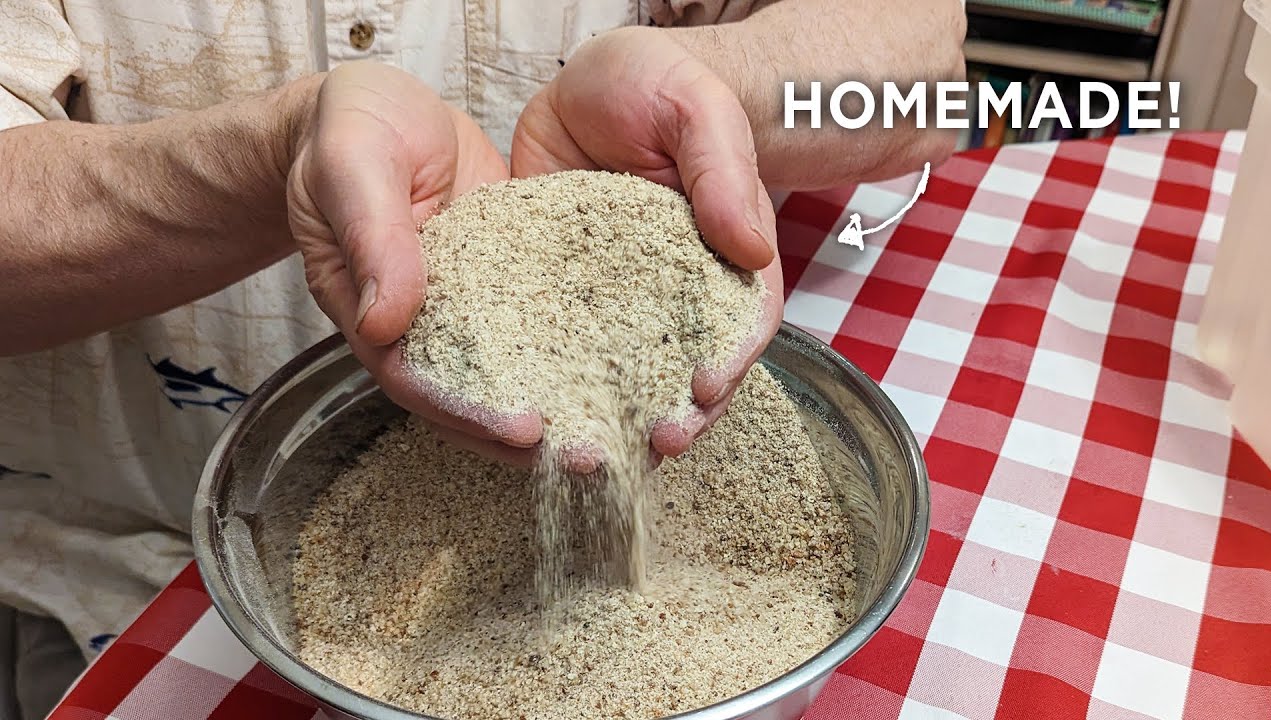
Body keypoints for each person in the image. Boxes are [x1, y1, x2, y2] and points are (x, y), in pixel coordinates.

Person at [0, 0, 964, 716]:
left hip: (694, 496)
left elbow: (926, 73)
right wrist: (280, 154)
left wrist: (711, 83)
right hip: (132, 560)